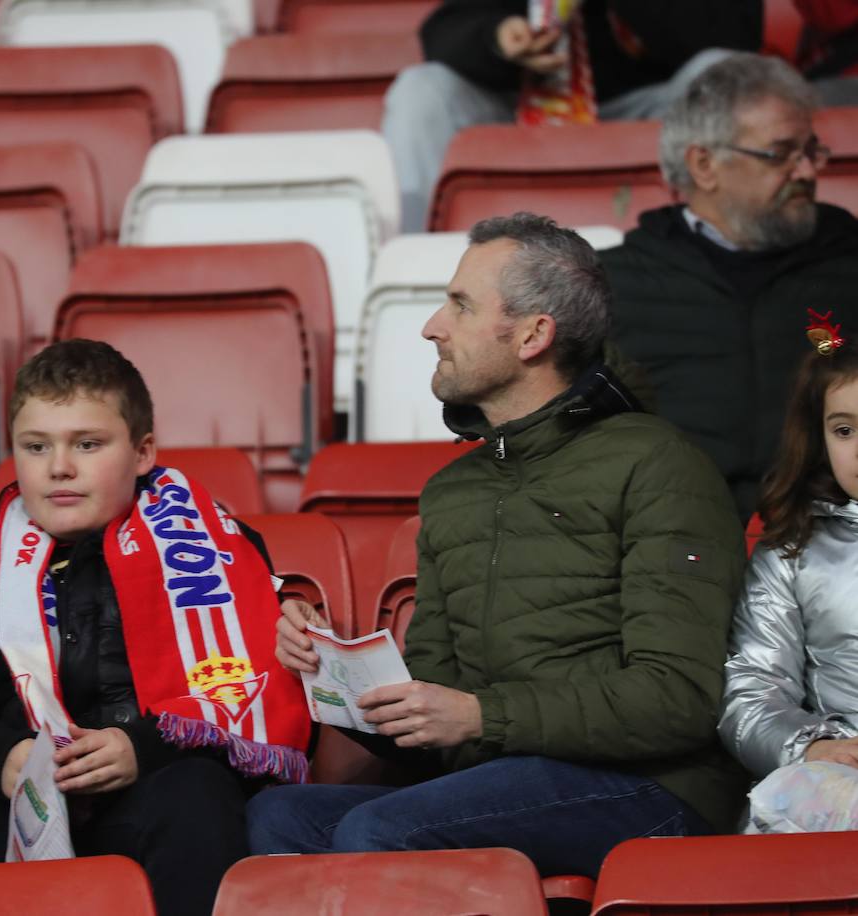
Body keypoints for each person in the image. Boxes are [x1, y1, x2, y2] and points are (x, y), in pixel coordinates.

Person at [250, 213, 748, 878]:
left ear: (534, 335)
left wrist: (481, 716)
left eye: (460, 305)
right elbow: (435, 726)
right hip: (503, 775)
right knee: (278, 818)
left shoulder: (659, 463)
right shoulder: (452, 493)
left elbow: (679, 698)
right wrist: (336, 677)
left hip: (656, 788)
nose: (433, 326)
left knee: (379, 829)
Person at [0, 339, 309, 916]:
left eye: (88, 444)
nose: (59, 466)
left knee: (195, 797)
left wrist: (141, 749)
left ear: (142, 452)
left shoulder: (218, 553)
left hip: (159, 795)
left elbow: (257, 705)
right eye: (36, 447)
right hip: (11, 805)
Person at [602, 52, 858, 522]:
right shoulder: (612, 287)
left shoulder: (850, 270)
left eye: (810, 151)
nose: (806, 172)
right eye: (780, 154)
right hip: (669, 552)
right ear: (704, 165)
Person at [384, 0, 760, 231]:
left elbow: (734, 34)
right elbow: (445, 28)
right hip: (519, 105)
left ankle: (727, 257)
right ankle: (422, 270)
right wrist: (497, 39)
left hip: (648, 111)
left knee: (724, 73)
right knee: (422, 89)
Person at [719, 314, 858, 833]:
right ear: (819, 437)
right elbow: (753, 689)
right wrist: (814, 746)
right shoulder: (791, 554)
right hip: (844, 778)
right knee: (788, 796)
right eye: (844, 430)